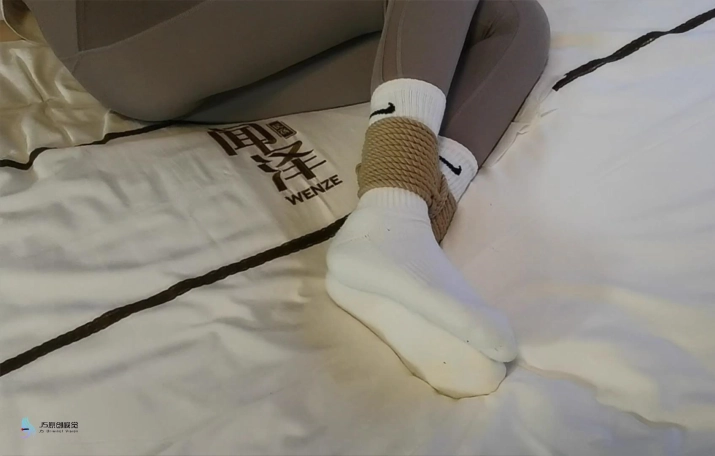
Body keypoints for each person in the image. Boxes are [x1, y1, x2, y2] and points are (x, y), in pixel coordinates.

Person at [22, 0, 551, 398]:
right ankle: (395, 205)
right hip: (130, 27)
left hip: (200, 57)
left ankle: (399, 235)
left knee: (509, 19)